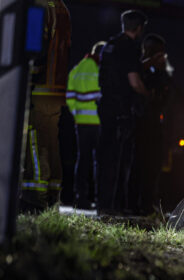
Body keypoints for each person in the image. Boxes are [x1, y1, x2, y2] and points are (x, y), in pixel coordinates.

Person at [97, 10, 149, 215]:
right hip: (121, 109)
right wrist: (147, 94)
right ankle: (113, 206)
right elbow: (134, 82)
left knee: (103, 156)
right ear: (138, 28)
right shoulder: (129, 48)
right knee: (119, 159)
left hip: (106, 106)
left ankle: (102, 203)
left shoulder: (110, 45)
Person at [20, 0, 71, 212]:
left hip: (39, 86)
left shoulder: (38, 4)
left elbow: (33, 46)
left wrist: (26, 76)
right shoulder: (61, 8)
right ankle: (52, 197)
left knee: (36, 140)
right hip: (55, 88)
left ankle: (34, 198)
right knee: (51, 142)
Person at [135, 34, 172, 214]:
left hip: (155, 125)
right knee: (139, 165)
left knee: (153, 166)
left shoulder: (161, 73)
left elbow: (166, 95)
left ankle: (147, 203)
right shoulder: (139, 69)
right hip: (140, 124)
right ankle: (136, 203)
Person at [66, 40, 105, 209]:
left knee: (83, 160)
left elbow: (70, 96)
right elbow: (103, 94)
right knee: (100, 162)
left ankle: (80, 197)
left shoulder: (77, 69)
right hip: (98, 122)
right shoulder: (99, 69)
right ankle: (100, 198)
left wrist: (77, 114)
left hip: (81, 122)